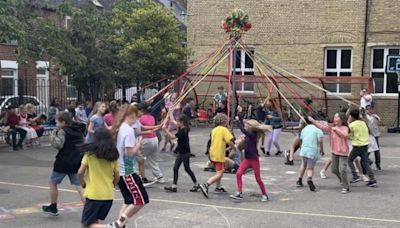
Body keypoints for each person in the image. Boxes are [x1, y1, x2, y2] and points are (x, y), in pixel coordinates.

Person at [110, 105, 148, 228]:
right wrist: (138, 145)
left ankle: (121, 224)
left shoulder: (121, 128)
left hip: (122, 170)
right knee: (141, 199)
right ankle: (119, 223)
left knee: (129, 200)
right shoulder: (128, 130)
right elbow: (128, 153)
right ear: (132, 116)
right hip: (127, 171)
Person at [42, 111, 85, 216]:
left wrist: (52, 136)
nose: (56, 125)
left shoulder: (63, 131)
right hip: (76, 160)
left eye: (57, 122)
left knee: (53, 182)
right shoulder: (79, 130)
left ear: (63, 122)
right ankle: (89, 208)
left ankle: (53, 206)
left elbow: (58, 144)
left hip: (63, 162)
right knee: (79, 185)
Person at [78, 129, 120, 228]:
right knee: (94, 221)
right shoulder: (113, 155)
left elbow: (80, 172)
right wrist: (112, 185)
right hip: (108, 195)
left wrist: (83, 183)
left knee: (86, 224)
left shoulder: (89, 154)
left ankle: (110, 227)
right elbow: (117, 176)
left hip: (94, 195)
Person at [230, 108, 270, 202]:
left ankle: (265, 195)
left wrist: (239, 120)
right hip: (247, 159)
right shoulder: (249, 134)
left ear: (252, 127)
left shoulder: (253, 135)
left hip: (254, 160)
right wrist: (240, 113)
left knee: (258, 178)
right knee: (239, 173)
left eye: (248, 125)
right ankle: (239, 193)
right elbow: (243, 128)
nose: (246, 126)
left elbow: (242, 129)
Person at [309, 114, 350, 193]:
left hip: (343, 152)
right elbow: (321, 127)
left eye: (337, 117)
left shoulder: (345, 128)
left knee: (342, 169)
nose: (335, 118)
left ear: (342, 119)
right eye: (335, 117)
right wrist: (313, 121)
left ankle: (346, 186)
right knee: (334, 170)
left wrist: (336, 130)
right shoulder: (331, 128)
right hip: (334, 151)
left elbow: (344, 136)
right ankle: (341, 179)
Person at [199, 113, 235, 198]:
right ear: (224, 121)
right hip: (219, 154)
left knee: (219, 170)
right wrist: (234, 147)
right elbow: (229, 141)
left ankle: (218, 187)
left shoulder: (214, 129)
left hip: (212, 153)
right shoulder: (224, 129)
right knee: (220, 173)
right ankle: (206, 184)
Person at [163, 113, 199, 193]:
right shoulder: (182, 127)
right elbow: (172, 120)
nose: (176, 122)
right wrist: (170, 111)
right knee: (175, 168)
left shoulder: (183, 130)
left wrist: (165, 130)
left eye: (178, 121)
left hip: (185, 152)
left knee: (187, 168)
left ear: (182, 122)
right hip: (180, 152)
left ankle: (196, 184)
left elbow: (172, 137)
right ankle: (174, 186)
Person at [347, 109, 377, 187]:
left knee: (350, 160)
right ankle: (372, 179)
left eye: (350, 116)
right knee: (365, 163)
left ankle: (355, 176)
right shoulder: (363, 123)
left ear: (352, 117)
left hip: (357, 146)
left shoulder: (352, 125)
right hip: (365, 145)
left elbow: (349, 135)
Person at [137, 102, 164, 184]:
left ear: (142, 110)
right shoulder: (152, 117)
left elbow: (140, 128)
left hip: (146, 140)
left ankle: (139, 175)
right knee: (152, 159)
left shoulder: (140, 118)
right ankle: (159, 176)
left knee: (137, 157)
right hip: (154, 139)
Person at [296, 116, 324, 192]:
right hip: (312, 150)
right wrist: (322, 150)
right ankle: (309, 179)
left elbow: (301, 140)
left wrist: (302, 148)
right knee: (310, 168)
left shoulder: (304, 129)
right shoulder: (318, 130)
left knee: (303, 165)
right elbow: (320, 141)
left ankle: (299, 180)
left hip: (304, 150)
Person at [364, 105, 381, 170]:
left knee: (376, 150)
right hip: (368, 135)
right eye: (368, 109)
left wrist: (375, 117)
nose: (369, 110)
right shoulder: (365, 116)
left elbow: (381, 123)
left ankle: (378, 164)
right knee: (367, 150)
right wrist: (364, 114)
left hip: (375, 135)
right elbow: (364, 120)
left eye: (370, 109)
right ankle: (367, 161)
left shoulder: (375, 116)